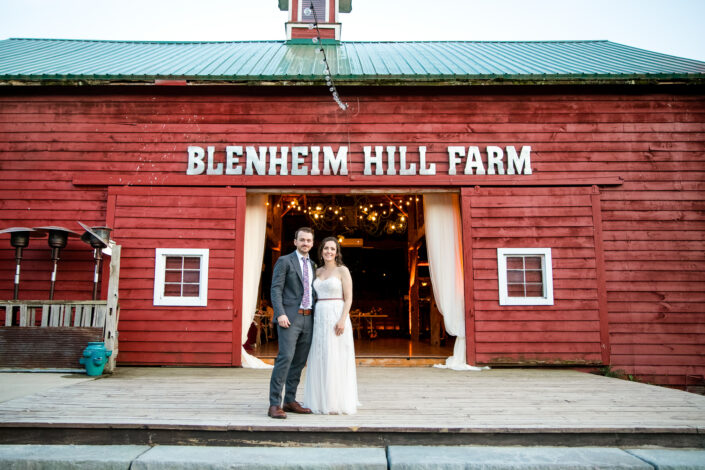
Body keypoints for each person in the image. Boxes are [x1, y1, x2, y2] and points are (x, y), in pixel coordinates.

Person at [303, 236, 359, 414]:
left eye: (332, 249)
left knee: (336, 356)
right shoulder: (316, 271)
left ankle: (335, 401)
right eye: (326, 248)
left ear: (337, 252)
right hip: (320, 315)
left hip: (337, 313)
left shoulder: (342, 270)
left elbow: (349, 297)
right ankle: (320, 400)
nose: (329, 251)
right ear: (321, 251)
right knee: (321, 355)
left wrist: (342, 319)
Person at [268, 227, 316, 419]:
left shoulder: (313, 265)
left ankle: (289, 400)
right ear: (295, 241)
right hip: (289, 317)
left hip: (309, 318)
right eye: (302, 240)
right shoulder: (284, 261)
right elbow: (276, 289)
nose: (305, 243)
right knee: (285, 359)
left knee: (298, 362)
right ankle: (274, 404)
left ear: (312, 243)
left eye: (309, 240)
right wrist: (280, 313)